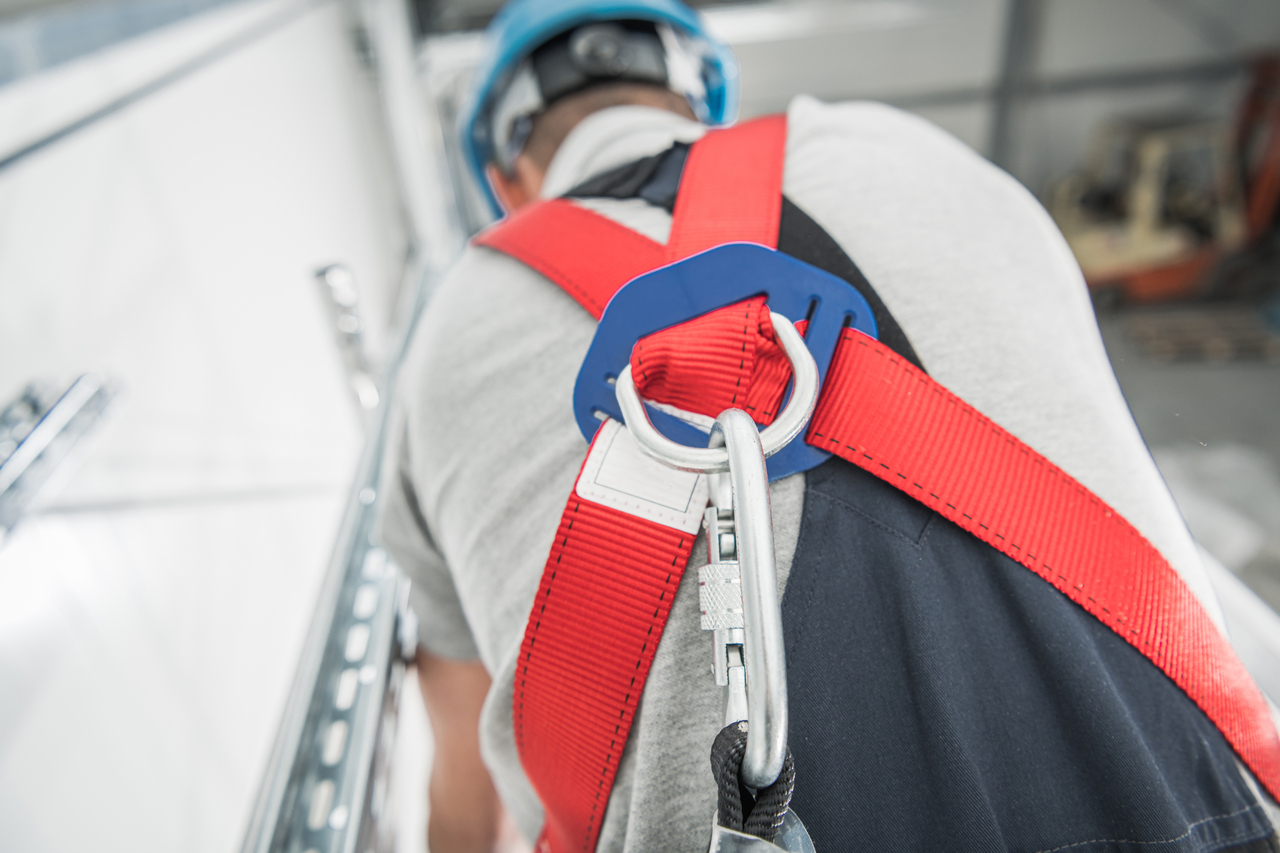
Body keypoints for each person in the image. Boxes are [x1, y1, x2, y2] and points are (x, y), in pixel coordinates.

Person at [379, 1, 1280, 850]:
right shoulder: (917, 154)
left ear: (506, 178)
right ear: (701, 95)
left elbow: (464, 793)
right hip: (1211, 792)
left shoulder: (448, 336)